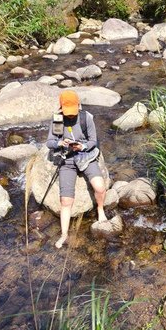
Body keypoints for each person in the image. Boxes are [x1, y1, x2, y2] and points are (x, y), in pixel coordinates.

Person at [46, 90, 107, 249]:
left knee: (100, 187)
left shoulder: (86, 117)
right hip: (67, 160)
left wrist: (83, 146)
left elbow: (93, 141)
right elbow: (50, 143)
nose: (71, 116)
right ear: (61, 107)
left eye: (73, 111)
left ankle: (100, 210)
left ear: (78, 105)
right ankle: (64, 234)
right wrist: (60, 143)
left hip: (86, 157)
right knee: (66, 201)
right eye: (68, 112)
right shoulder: (58, 120)